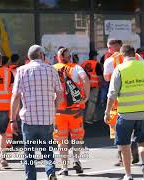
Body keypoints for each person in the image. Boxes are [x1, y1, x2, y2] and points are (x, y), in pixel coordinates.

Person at [10, 45, 64, 180]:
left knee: (29, 152)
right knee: (48, 149)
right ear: (41, 55)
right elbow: (60, 93)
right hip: (47, 118)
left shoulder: (21, 70)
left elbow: (15, 96)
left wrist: (13, 119)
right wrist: (54, 109)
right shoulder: (51, 70)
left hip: (28, 118)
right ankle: (50, 171)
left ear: (29, 57)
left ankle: (31, 178)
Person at [104, 44, 144, 180]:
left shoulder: (119, 69)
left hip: (125, 113)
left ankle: (128, 174)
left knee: (124, 145)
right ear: (134, 54)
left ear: (122, 55)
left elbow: (112, 93)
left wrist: (107, 112)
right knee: (142, 142)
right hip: (143, 111)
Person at [53, 47, 90, 176]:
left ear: (58, 57)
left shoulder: (53, 68)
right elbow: (85, 79)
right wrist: (85, 97)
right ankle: (77, 161)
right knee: (77, 137)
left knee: (61, 140)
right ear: (70, 57)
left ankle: (64, 167)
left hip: (59, 112)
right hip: (75, 111)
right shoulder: (76, 68)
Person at [81, 50, 103, 124]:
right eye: (96, 56)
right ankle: (88, 118)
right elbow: (100, 76)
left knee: (83, 102)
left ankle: (82, 118)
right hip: (94, 86)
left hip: (84, 85)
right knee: (92, 102)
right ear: (94, 56)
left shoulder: (83, 64)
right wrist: (100, 84)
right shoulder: (96, 64)